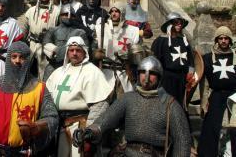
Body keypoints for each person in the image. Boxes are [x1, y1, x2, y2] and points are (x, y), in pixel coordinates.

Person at [73, 56, 191, 157]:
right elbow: (105, 120)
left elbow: (182, 142)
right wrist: (89, 131)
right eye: (143, 72)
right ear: (138, 74)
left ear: (159, 77)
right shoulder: (128, 99)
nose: (146, 77)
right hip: (127, 153)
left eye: (152, 73)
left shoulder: (171, 105)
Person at [46, 36, 112, 157]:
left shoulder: (92, 72)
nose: (74, 53)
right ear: (67, 52)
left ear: (84, 52)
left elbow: (100, 105)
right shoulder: (58, 72)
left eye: (78, 50)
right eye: (71, 50)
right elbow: (47, 100)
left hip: (79, 126)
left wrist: (88, 132)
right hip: (58, 125)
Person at [198, 26, 236, 157]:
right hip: (216, 97)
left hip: (234, 97)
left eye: (226, 38)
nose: (224, 41)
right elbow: (204, 84)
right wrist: (204, 103)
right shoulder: (208, 58)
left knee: (234, 128)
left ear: (230, 40)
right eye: (221, 38)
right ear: (216, 40)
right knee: (212, 127)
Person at [151, 12, 195, 107]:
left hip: (182, 78)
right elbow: (155, 61)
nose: (179, 25)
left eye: (181, 22)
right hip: (167, 78)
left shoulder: (184, 40)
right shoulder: (161, 41)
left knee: (180, 105)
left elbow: (191, 59)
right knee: (167, 104)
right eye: (176, 22)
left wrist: (190, 73)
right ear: (169, 24)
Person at [94, 2, 134, 94]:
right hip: (105, 73)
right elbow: (92, 50)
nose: (114, 13)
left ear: (122, 13)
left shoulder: (131, 30)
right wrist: (95, 54)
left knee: (124, 103)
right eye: (112, 11)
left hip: (123, 73)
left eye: (117, 11)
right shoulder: (100, 29)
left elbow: (137, 55)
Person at [43, 3, 89, 81]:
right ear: (60, 16)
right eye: (65, 14)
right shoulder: (52, 30)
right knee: (47, 89)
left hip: (73, 67)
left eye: (72, 15)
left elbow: (85, 52)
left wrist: (57, 51)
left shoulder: (81, 32)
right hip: (54, 66)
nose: (68, 17)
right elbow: (46, 48)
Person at [22, 0, 60, 79]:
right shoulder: (31, 11)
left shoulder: (56, 11)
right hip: (33, 44)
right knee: (29, 71)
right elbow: (24, 28)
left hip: (48, 46)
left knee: (46, 73)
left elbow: (60, 29)